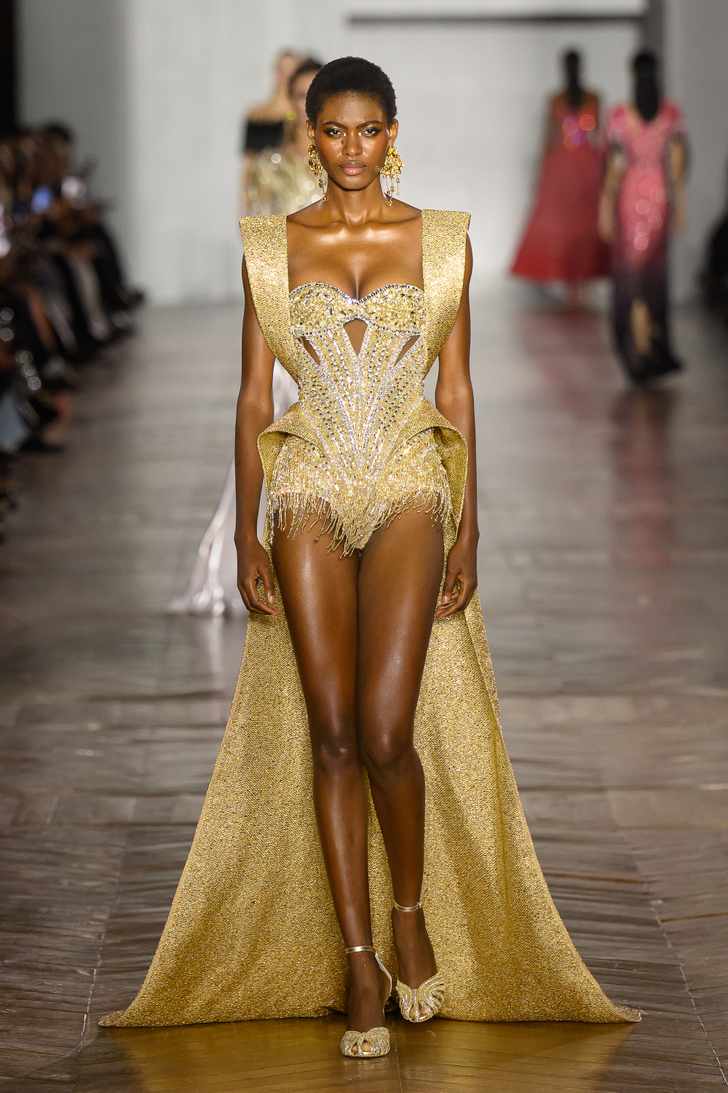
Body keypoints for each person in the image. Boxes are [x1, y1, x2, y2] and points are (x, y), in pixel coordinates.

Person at [101, 56, 639, 1058]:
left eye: (369, 129)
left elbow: (458, 390)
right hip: (306, 483)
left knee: (389, 730)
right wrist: (245, 527)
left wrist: (468, 522)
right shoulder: (270, 247)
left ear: (393, 133)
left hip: (407, 481)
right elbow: (253, 397)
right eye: (335, 131)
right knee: (333, 729)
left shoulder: (441, 241)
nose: (352, 148)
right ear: (311, 137)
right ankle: (357, 960)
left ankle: (408, 913)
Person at [170, 58, 323, 616]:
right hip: (283, 299)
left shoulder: (340, 157)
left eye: (315, 92)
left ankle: (318, 560)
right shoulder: (267, 149)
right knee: (271, 424)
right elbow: (254, 221)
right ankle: (257, 557)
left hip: (334, 308)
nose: (306, 102)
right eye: (299, 91)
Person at [599, 50, 687, 383]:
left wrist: (679, 204)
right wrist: (605, 207)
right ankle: (641, 349)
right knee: (638, 275)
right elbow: (616, 166)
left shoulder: (631, 115)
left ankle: (643, 349)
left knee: (644, 276)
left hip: (645, 193)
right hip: (646, 194)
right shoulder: (652, 115)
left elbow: (674, 164)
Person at [511, 49, 608, 300]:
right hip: (562, 169)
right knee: (562, 224)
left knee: (585, 224)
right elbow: (549, 136)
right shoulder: (556, 100)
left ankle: (580, 281)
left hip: (586, 168)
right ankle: (568, 281)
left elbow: (600, 136)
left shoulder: (593, 98)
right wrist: (542, 174)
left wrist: (606, 170)